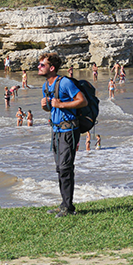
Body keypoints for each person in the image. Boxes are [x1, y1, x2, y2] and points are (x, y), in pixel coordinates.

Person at [39, 52, 88, 218]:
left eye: (42, 65)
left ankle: (68, 207)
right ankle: (64, 204)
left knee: (65, 168)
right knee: (60, 168)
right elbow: (52, 108)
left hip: (68, 131)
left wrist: (61, 104)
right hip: (56, 131)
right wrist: (46, 107)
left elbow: (82, 101)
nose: (39, 67)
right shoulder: (47, 85)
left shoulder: (65, 82)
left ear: (51, 68)